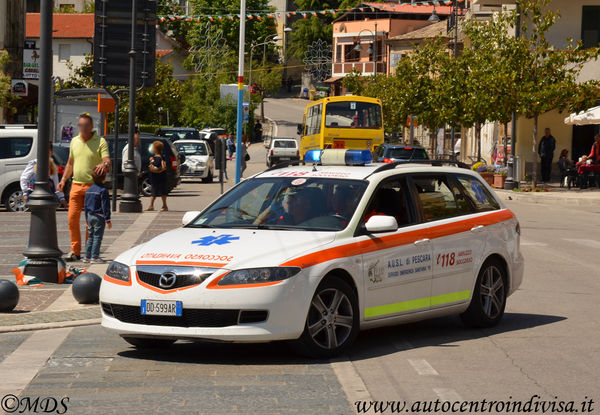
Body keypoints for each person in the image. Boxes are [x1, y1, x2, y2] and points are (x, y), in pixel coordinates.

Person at [57, 113, 111, 262]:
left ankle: (89, 252)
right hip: (75, 185)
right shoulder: (74, 141)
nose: (83, 128)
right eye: (80, 125)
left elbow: (107, 160)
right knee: (72, 219)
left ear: (92, 126)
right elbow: (70, 163)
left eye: (86, 125)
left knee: (90, 222)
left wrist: (104, 164)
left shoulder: (100, 141)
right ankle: (75, 251)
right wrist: (63, 180)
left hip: (92, 188)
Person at [83, 170, 111, 263]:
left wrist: (86, 219)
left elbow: (86, 206)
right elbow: (105, 206)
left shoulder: (88, 190)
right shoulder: (103, 190)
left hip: (89, 215)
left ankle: (87, 256)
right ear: (103, 178)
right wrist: (108, 219)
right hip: (99, 216)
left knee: (90, 236)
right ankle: (95, 257)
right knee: (97, 237)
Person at [146, 140, 168, 211]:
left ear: (155, 149)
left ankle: (151, 206)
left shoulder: (157, 157)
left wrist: (152, 161)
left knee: (154, 191)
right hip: (161, 176)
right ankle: (164, 205)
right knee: (162, 191)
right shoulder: (162, 156)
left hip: (157, 177)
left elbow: (155, 164)